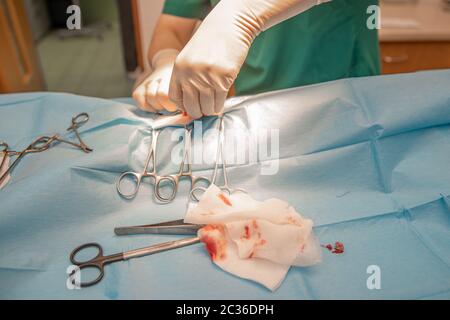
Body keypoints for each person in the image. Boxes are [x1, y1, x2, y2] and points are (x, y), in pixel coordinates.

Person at [133, 0, 380, 119]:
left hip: (344, 105)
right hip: (255, 106)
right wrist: (166, 61)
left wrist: (240, 15)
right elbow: (172, 28)